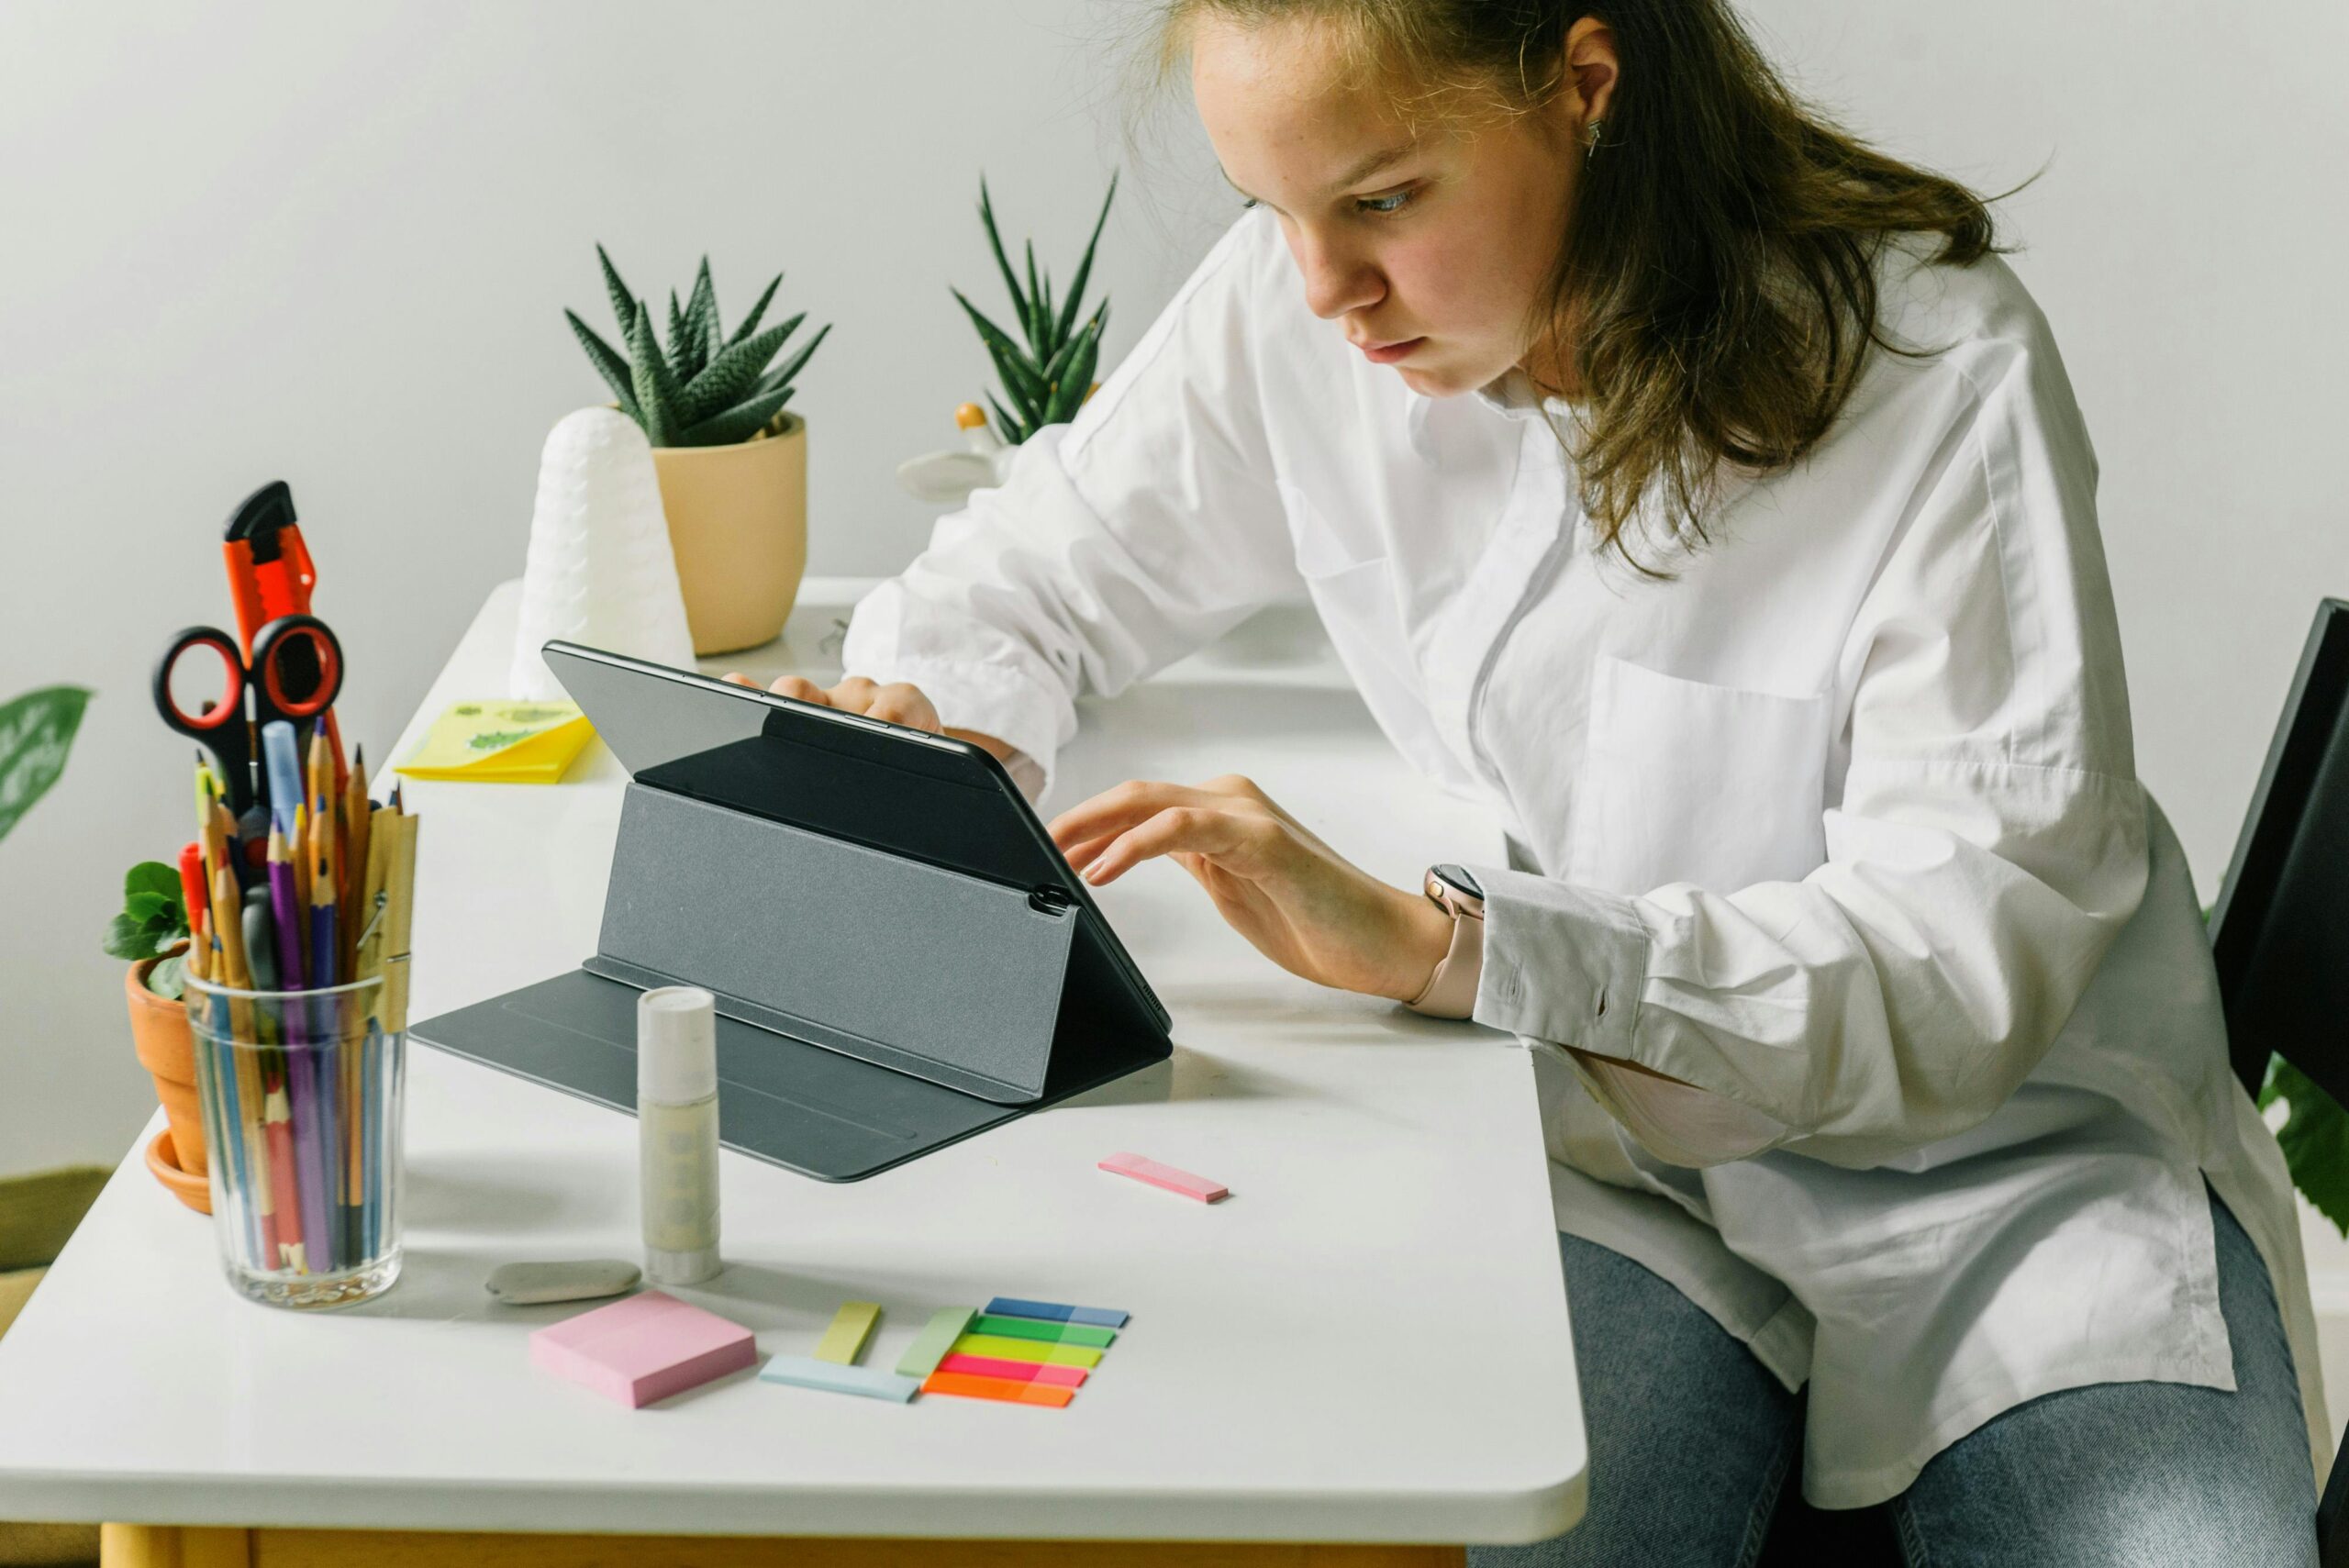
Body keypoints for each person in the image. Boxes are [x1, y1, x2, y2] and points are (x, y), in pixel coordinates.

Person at [729, 2, 2325, 1560]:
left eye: (1383, 200)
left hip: (2011, 1198)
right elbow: (1036, 563)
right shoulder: (1306, 311)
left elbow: (1952, 968)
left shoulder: (1935, 375)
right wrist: (932, 720)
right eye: (1270, 206)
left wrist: (1458, 948)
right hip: (1597, 1175)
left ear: (1585, 82)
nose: (1323, 288)